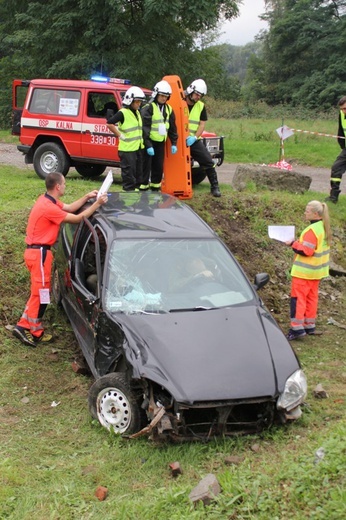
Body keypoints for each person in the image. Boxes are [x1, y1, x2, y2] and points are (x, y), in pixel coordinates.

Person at [13, 172, 108, 348]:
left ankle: (33, 328)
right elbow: (78, 218)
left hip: (41, 253)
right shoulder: (48, 208)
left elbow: (71, 207)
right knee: (40, 293)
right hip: (39, 253)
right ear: (57, 186)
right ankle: (24, 327)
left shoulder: (47, 200)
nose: (65, 186)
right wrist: (97, 203)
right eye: (64, 184)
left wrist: (87, 196)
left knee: (41, 291)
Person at [285, 200, 331, 341]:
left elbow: (307, 251)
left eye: (307, 211)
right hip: (316, 272)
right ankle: (309, 325)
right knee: (311, 298)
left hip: (304, 273)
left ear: (315, 214)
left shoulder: (312, 230)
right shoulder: (323, 227)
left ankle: (297, 329)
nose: (305, 213)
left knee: (298, 299)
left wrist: (293, 243)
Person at [184, 79, 221, 197]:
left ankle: (215, 187)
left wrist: (195, 137)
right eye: (196, 94)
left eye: (200, 96)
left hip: (192, 139)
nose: (198, 97)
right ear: (190, 91)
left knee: (208, 161)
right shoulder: (179, 102)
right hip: (178, 139)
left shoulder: (200, 106)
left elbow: (202, 124)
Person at [140, 80, 178, 191]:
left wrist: (174, 143)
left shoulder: (169, 109)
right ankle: (142, 189)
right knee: (145, 167)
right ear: (156, 94)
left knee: (158, 167)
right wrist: (148, 145)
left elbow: (172, 128)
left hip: (160, 142)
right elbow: (144, 128)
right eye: (162, 96)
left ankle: (155, 189)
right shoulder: (148, 108)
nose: (164, 98)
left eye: (166, 96)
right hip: (149, 142)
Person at [106, 86, 146, 191]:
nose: (139, 104)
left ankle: (135, 197)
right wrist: (119, 135)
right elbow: (109, 123)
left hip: (137, 148)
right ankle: (127, 198)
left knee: (138, 175)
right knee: (129, 176)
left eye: (140, 102)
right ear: (130, 100)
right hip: (127, 150)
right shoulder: (123, 113)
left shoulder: (137, 113)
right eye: (137, 102)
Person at [325, 96, 346, 203]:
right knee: (336, 168)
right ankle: (334, 196)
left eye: (345, 108)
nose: (344, 111)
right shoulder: (342, 114)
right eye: (342, 109)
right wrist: (343, 146)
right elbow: (341, 131)